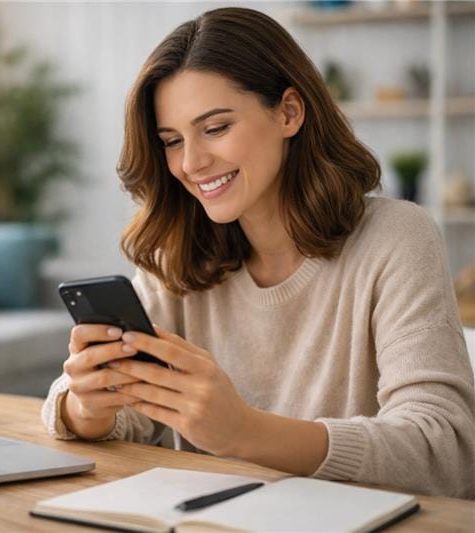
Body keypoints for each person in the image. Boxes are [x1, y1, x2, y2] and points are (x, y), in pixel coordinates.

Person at [41, 7, 475, 499]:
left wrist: (244, 432)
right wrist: (87, 407)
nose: (191, 163)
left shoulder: (395, 238)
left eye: (216, 128)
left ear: (289, 112)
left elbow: (446, 450)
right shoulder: (182, 256)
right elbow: (100, 411)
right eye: (172, 141)